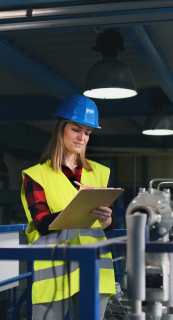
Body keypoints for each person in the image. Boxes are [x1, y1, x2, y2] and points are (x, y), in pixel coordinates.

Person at [20, 94, 116, 320]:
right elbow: (42, 223)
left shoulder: (100, 173)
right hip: (54, 269)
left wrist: (108, 220)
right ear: (61, 129)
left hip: (94, 267)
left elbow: (108, 226)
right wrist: (79, 207)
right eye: (76, 129)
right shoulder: (36, 175)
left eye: (88, 133)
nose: (82, 137)